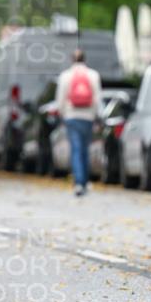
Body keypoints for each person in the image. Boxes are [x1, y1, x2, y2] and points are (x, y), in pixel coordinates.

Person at [55, 49, 102, 196]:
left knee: (76, 149)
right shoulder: (93, 75)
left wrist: (62, 114)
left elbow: (61, 98)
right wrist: (96, 115)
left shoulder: (65, 76)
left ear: (72, 60)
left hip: (71, 116)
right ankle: (85, 181)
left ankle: (78, 183)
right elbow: (97, 98)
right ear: (84, 59)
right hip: (87, 117)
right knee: (85, 150)